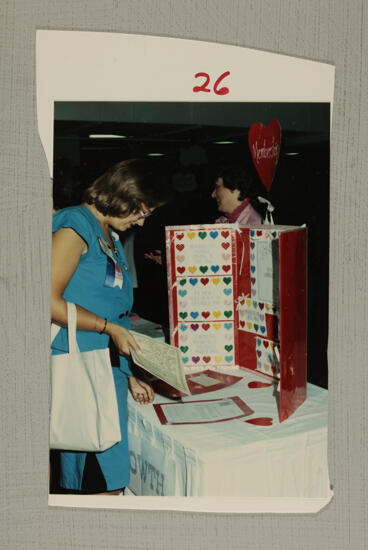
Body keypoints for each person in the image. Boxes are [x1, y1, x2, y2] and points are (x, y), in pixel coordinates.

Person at [51, 158, 168, 495]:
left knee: (112, 481)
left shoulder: (109, 234)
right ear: (123, 196)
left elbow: (108, 306)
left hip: (105, 369)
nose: (142, 222)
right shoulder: (75, 223)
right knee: (98, 485)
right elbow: (48, 300)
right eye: (141, 212)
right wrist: (110, 328)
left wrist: (129, 374)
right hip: (83, 372)